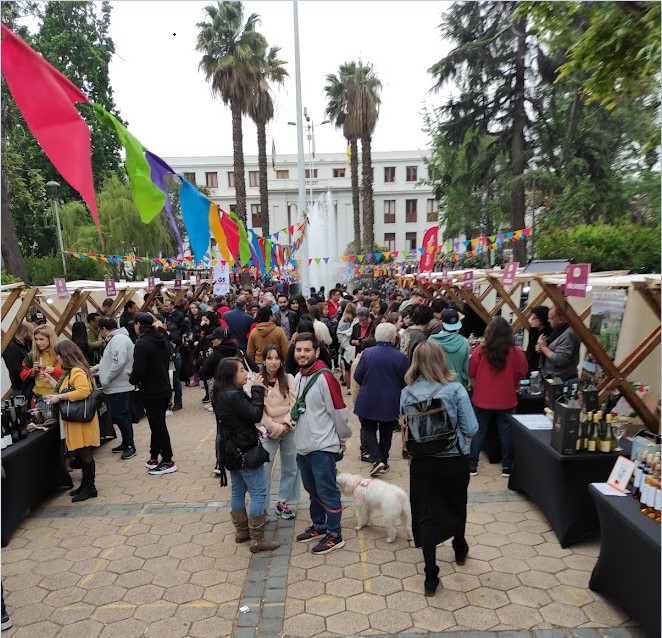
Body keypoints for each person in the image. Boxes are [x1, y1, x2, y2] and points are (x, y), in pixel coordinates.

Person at [400, 341, 478, 596]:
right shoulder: (455, 389)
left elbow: (404, 424)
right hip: (453, 458)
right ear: (441, 360)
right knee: (457, 502)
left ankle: (430, 574)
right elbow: (471, 428)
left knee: (425, 513)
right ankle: (459, 546)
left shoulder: (407, 392)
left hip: (422, 462)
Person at [213, 358, 280, 553]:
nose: (246, 373)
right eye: (242, 370)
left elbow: (241, 418)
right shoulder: (233, 395)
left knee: (238, 490)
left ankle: (242, 531)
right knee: (259, 492)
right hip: (245, 451)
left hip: (231, 450)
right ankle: (258, 539)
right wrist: (258, 389)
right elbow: (255, 414)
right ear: (231, 375)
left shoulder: (220, 393)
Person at [293, 333, 351, 554]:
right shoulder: (299, 377)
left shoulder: (325, 377)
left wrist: (342, 438)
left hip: (322, 447)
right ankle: (320, 525)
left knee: (327, 490)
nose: (302, 354)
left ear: (316, 352)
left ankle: (335, 534)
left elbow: (339, 411)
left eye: (307, 350)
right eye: (299, 350)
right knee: (311, 488)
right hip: (303, 445)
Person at [42, 340, 101, 502]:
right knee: (82, 454)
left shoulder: (76, 371)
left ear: (65, 355)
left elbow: (83, 392)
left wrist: (59, 397)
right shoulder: (72, 371)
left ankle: (90, 487)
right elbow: (66, 390)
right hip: (77, 419)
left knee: (85, 454)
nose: (57, 359)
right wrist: (50, 380)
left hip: (80, 420)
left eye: (58, 356)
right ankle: (86, 485)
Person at [468, 316, 528, 478]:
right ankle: (507, 467)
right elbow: (522, 373)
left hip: (482, 398)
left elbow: (471, 372)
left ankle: (472, 466)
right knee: (506, 432)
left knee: (479, 431)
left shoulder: (480, 351)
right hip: (507, 398)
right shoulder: (516, 353)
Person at [353, 323, 408, 476]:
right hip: (390, 400)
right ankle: (383, 459)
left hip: (368, 398)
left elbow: (357, 376)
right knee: (386, 431)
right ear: (392, 337)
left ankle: (377, 460)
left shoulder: (367, 353)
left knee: (368, 429)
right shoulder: (400, 356)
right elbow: (405, 380)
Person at [129, 313, 177, 475]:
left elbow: (138, 371)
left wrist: (132, 379)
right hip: (163, 387)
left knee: (158, 425)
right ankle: (154, 455)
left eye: (134, 324)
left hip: (151, 391)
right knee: (156, 423)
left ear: (138, 325)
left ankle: (168, 460)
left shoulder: (142, 344)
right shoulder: (160, 338)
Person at [259, 344, 299, 520]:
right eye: (269, 358)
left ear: (282, 361)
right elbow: (257, 410)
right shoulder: (257, 380)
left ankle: (283, 501)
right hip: (268, 431)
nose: (273, 362)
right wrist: (274, 428)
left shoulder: (289, 378)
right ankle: (262, 506)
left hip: (288, 429)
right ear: (263, 360)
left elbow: (295, 403)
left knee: (290, 467)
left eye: (276, 358)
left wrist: (286, 425)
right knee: (264, 470)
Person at [97, 317, 136, 460]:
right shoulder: (116, 339)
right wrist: (96, 369)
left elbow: (119, 362)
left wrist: (106, 379)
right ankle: (127, 442)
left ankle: (130, 445)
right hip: (117, 385)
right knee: (123, 415)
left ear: (103, 329)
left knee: (119, 415)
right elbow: (109, 361)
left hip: (118, 385)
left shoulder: (118, 339)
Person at [536, 304, 580, 387]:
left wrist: (543, 347)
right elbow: (553, 350)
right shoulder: (557, 331)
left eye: (551, 318)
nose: (548, 321)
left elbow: (560, 360)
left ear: (560, 319)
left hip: (564, 383)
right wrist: (543, 348)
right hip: (555, 381)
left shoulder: (568, 335)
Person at [19, 324, 62, 406]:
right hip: (38, 396)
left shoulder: (61, 353)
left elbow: (71, 373)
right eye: (36, 339)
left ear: (50, 339)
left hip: (57, 396)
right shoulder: (32, 355)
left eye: (41, 339)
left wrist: (54, 370)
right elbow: (22, 375)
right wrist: (32, 371)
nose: (38, 342)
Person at [427, 308, 470, 388]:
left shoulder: (431, 341)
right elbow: (466, 371)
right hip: (457, 387)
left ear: (441, 323)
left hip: (435, 388)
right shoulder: (464, 342)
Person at [2, 320, 33, 398]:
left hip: (28, 386)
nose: (33, 336)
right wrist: (32, 372)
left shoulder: (26, 344)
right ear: (23, 333)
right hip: (21, 389)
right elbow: (15, 370)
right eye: (31, 333)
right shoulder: (11, 348)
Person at [525, 306, 550, 373]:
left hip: (537, 369)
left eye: (533, 318)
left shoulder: (544, 334)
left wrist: (534, 329)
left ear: (540, 320)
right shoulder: (539, 331)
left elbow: (532, 348)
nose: (531, 321)